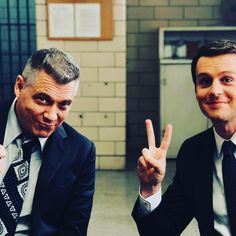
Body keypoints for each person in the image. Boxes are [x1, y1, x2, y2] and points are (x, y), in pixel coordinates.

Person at [132, 39, 236, 236]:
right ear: (196, 91)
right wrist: (150, 188)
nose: (214, 91)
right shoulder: (193, 152)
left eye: (227, 79)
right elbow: (161, 232)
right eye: (205, 81)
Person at [0, 48, 96, 235]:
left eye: (63, 105)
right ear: (19, 87)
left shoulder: (81, 151)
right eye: (42, 99)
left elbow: (74, 230)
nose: (52, 116)